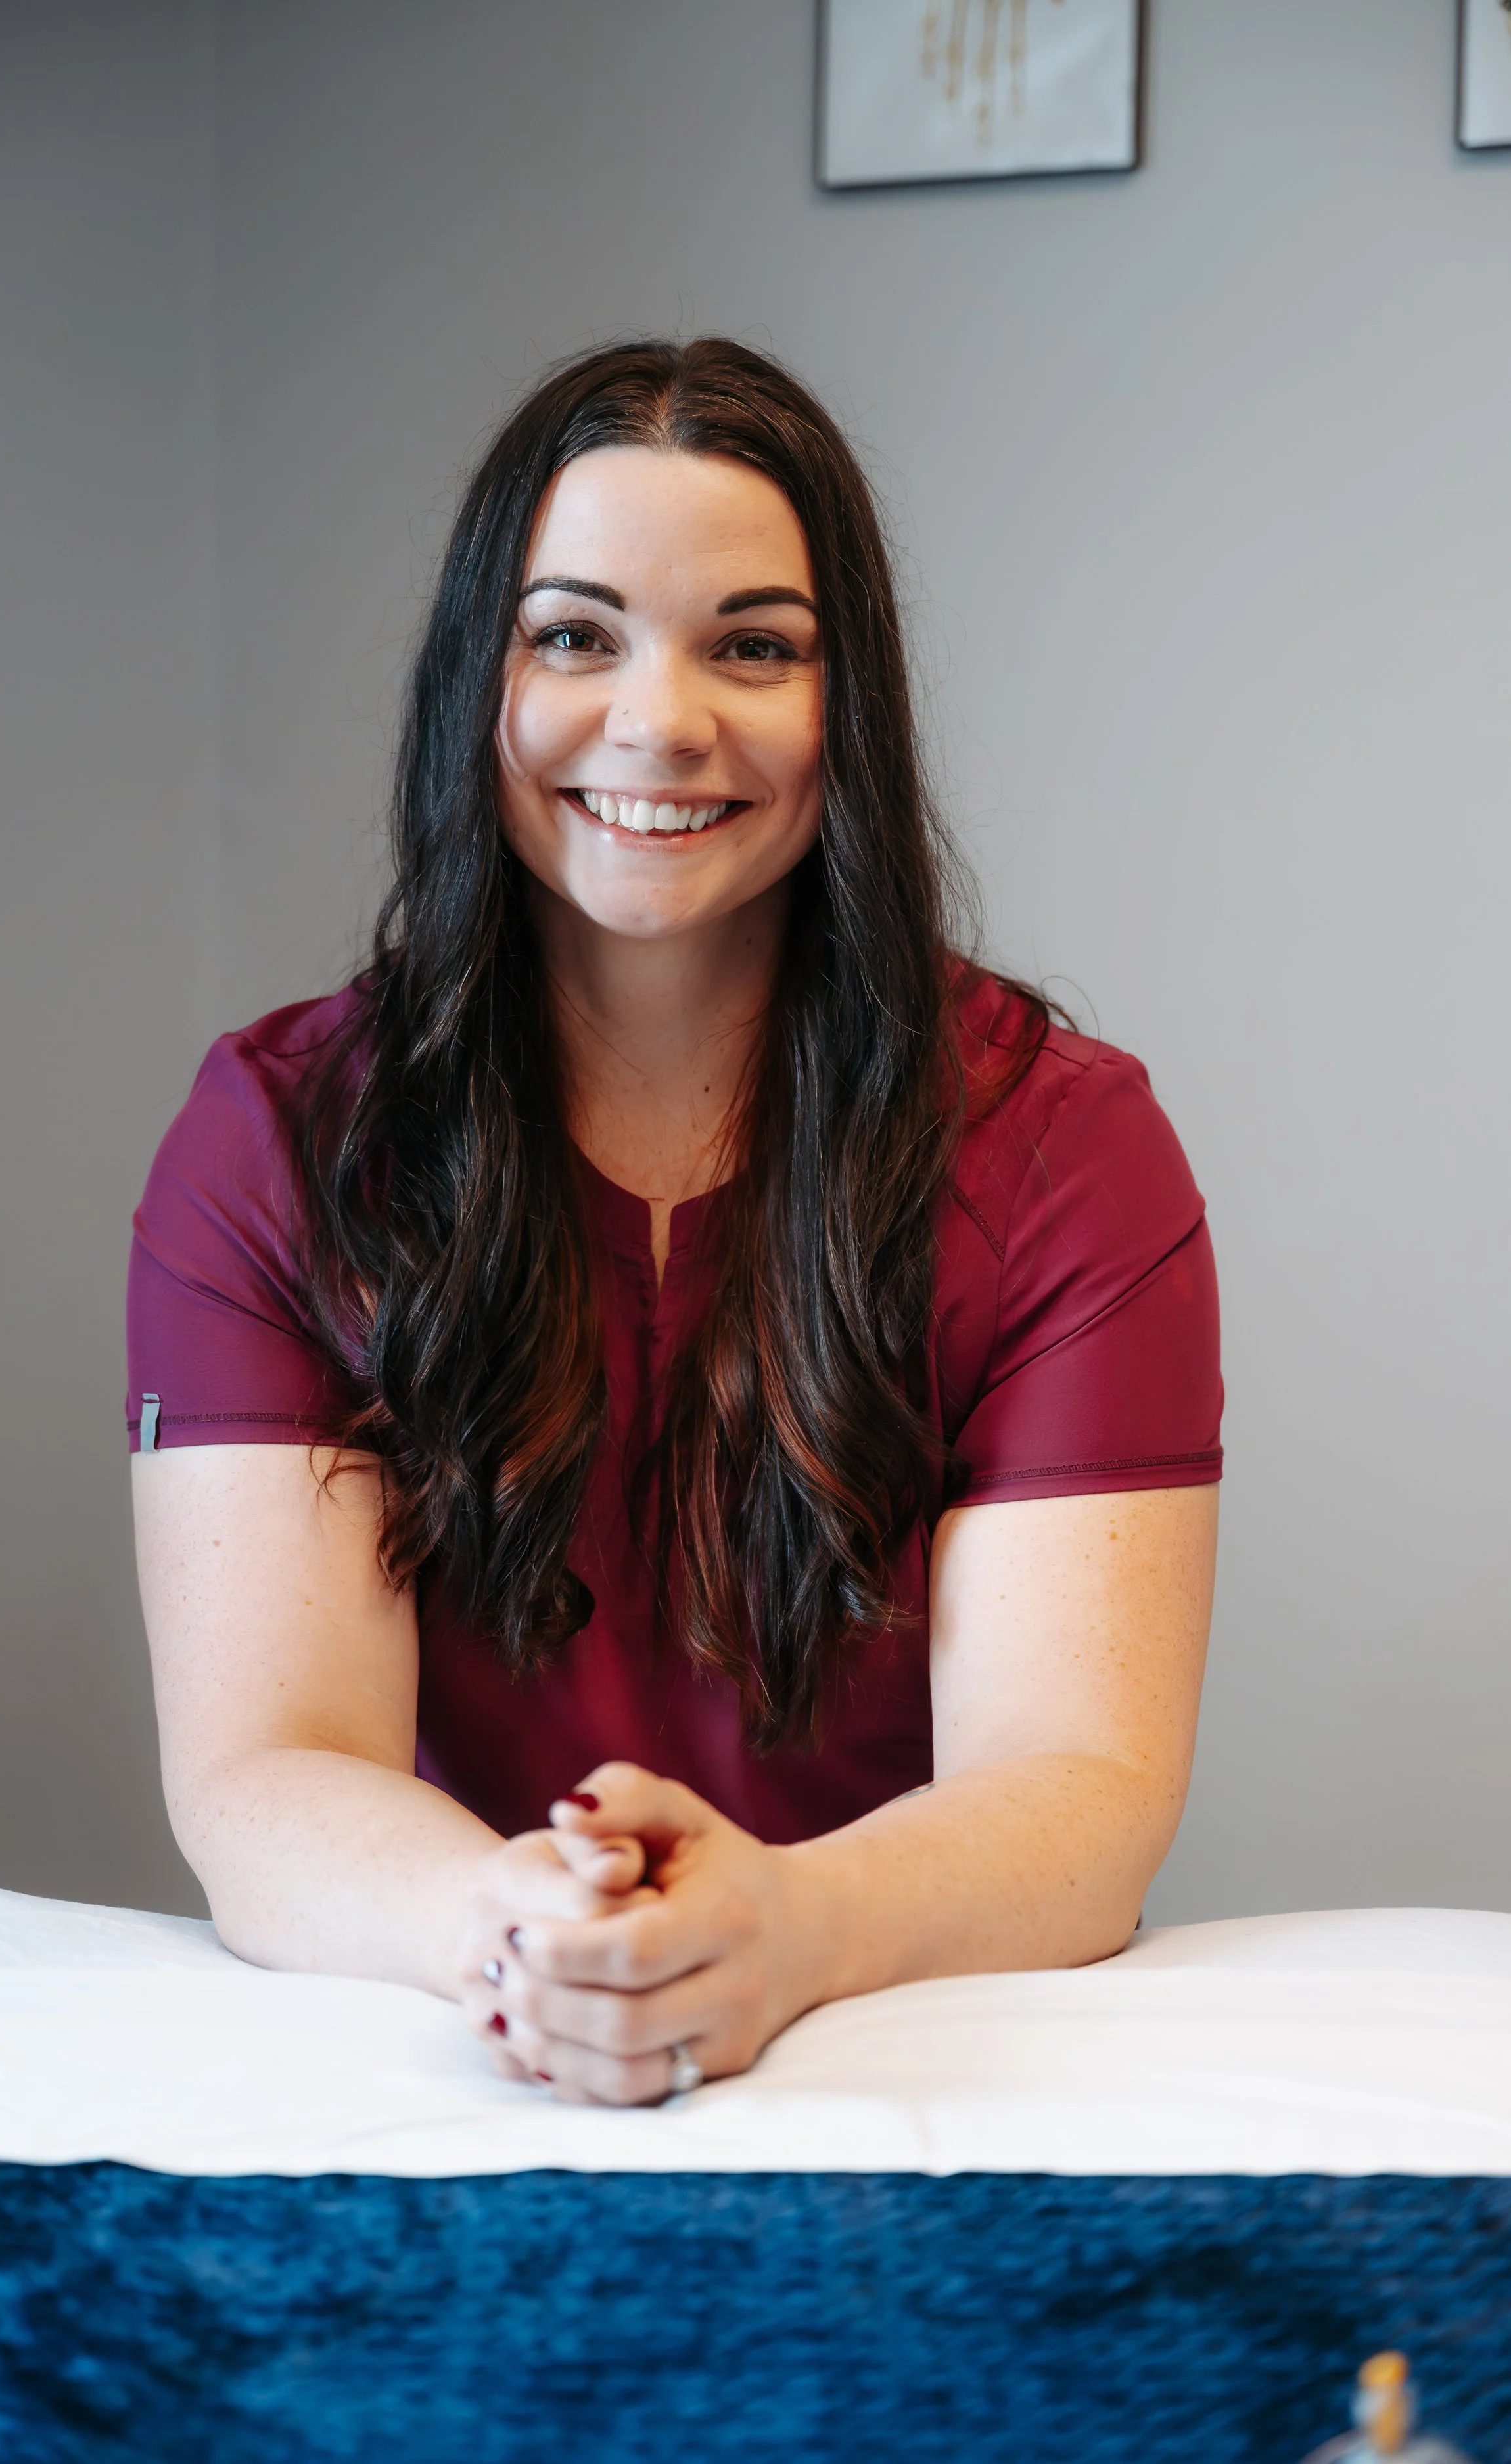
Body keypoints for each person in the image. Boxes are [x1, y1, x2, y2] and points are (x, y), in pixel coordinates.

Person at [128, 337, 1220, 2107]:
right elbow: (266, 1773)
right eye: (573, 633)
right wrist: (527, 1928)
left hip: (907, 2053)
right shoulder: (272, 1137)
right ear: (474, 678)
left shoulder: (1068, 1145)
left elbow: (1080, 1788)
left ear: (840, 702)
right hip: (451, 2052)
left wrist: (779, 1927)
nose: (657, 720)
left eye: (753, 644)